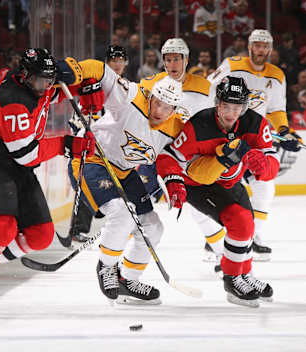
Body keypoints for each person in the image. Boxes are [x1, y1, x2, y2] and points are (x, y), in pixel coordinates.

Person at [0, 48, 98, 318]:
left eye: (50, 80)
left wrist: (90, 85)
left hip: (16, 169)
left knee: (41, 235)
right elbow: (27, 155)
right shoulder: (12, 100)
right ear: (26, 76)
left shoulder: (38, 82)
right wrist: (67, 144)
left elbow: (74, 75)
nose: (47, 87)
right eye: (42, 81)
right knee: (2, 230)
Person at [69, 58, 184, 305]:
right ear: (151, 96)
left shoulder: (175, 127)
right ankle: (107, 266)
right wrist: (73, 70)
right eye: (158, 102)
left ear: (175, 110)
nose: (160, 110)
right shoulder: (131, 95)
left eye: (168, 108)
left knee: (153, 226)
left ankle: (128, 280)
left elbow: (172, 156)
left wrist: (175, 180)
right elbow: (101, 71)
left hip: (124, 171)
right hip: (94, 160)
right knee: (122, 214)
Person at [157, 76, 279, 307]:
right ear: (217, 103)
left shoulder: (255, 124)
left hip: (229, 181)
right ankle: (232, 280)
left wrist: (264, 166)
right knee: (241, 222)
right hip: (198, 184)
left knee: (248, 227)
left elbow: (272, 164)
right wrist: (173, 181)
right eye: (226, 106)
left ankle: (244, 274)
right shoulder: (200, 125)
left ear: (244, 107)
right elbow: (168, 156)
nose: (231, 114)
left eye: (237, 107)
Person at [207, 29, 302, 261]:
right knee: (226, 187)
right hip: (227, 133)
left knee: (266, 185)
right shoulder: (232, 64)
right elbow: (208, 91)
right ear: (249, 47)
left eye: (264, 46)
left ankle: (254, 237)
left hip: (255, 134)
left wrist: (283, 130)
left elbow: (276, 109)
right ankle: (215, 241)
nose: (260, 50)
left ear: (270, 49)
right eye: (256, 45)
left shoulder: (277, 75)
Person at [140, 38, 226, 273]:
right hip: (152, 155)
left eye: (177, 58)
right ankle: (125, 262)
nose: (172, 63)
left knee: (198, 209)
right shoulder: (149, 84)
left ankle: (224, 254)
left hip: (186, 156)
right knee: (137, 209)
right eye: (168, 59)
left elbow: (218, 114)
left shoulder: (204, 86)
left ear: (186, 60)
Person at [65, 44, 129, 245]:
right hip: (93, 146)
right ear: (106, 63)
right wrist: (83, 134)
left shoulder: (126, 87)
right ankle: (78, 229)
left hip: (114, 148)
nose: (117, 64)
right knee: (88, 184)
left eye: (121, 60)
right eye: (113, 61)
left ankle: (122, 227)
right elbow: (80, 116)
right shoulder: (95, 83)